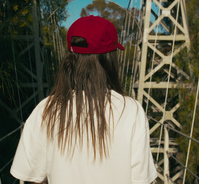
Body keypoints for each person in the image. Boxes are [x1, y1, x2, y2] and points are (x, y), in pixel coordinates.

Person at [10, 15, 157, 184]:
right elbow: (142, 180)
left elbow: (33, 178)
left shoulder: (46, 110)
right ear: (110, 59)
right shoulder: (131, 110)